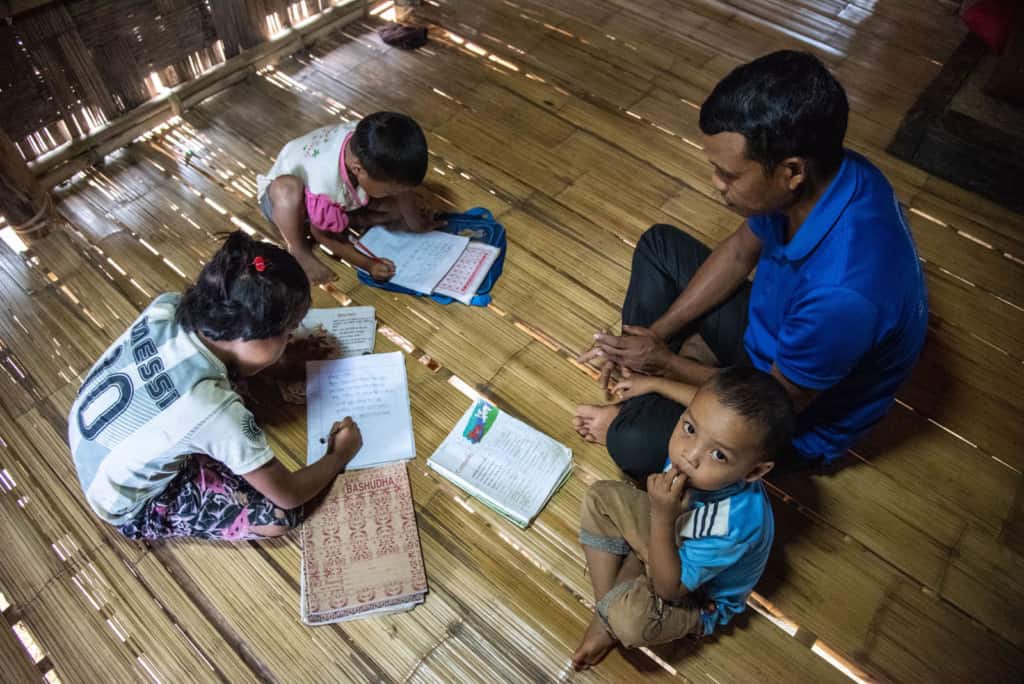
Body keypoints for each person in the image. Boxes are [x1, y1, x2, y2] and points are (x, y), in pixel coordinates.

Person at [573, 50, 928, 479]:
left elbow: (771, 403)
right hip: (769, 340)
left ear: (790, 172)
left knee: (631, 443)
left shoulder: (844, 296)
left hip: (784, 416)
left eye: (729, 175)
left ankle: (644, 405)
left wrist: (664, 365)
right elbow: (741, 250)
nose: (715, 185)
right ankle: (647, 380)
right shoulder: (828, 173)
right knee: (659, 246)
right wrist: (656, 336)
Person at [67, 231, 361, 541]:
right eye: (288, 332)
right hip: (128, 502)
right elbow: (287, 494)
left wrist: (280, 359)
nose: (290, 339)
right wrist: (338, 456)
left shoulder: (166, 306)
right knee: (279, 517)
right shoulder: (214, 410)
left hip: (95, 440)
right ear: (257, 336)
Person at [572, 367, 794, 670]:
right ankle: (606, 612)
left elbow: (669, 589)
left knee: (632, 623)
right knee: (600, 497)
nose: (690, 455)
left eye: (719, 455)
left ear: (754, 472)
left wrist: (662, 518)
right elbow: (701, 404)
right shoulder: (698, 456)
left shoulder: (734, 524)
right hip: (670, 530)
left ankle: (614, 616)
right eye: (690, 428)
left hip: (696, 593)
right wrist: (653, 382)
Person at [257, 111, 444, 285]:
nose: (397, 193)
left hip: (341, 194)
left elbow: (404, 190)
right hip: (283, 204)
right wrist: (368, 264)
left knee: (397, 210)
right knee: (287, 189)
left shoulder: (372, 142)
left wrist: (417, 224)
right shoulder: (326, 186)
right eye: (391, 191)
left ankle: (350, 218)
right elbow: (322, 234)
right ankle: (299, 252)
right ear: (358, 170)